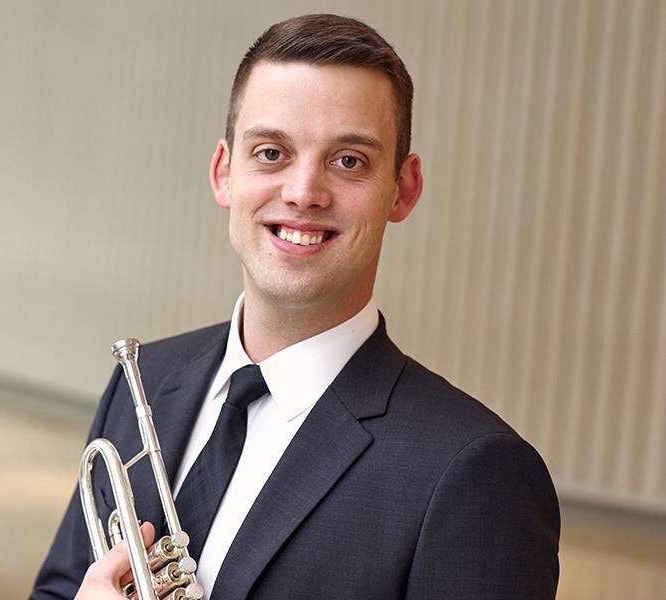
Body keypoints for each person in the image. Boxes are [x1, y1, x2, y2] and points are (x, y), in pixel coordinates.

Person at [32, 13, 560, 600]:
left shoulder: (475, 472)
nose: (304, 192)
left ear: (403, 189)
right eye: (271, 152)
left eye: (349, 160)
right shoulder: (146, 380)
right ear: (224, 172)